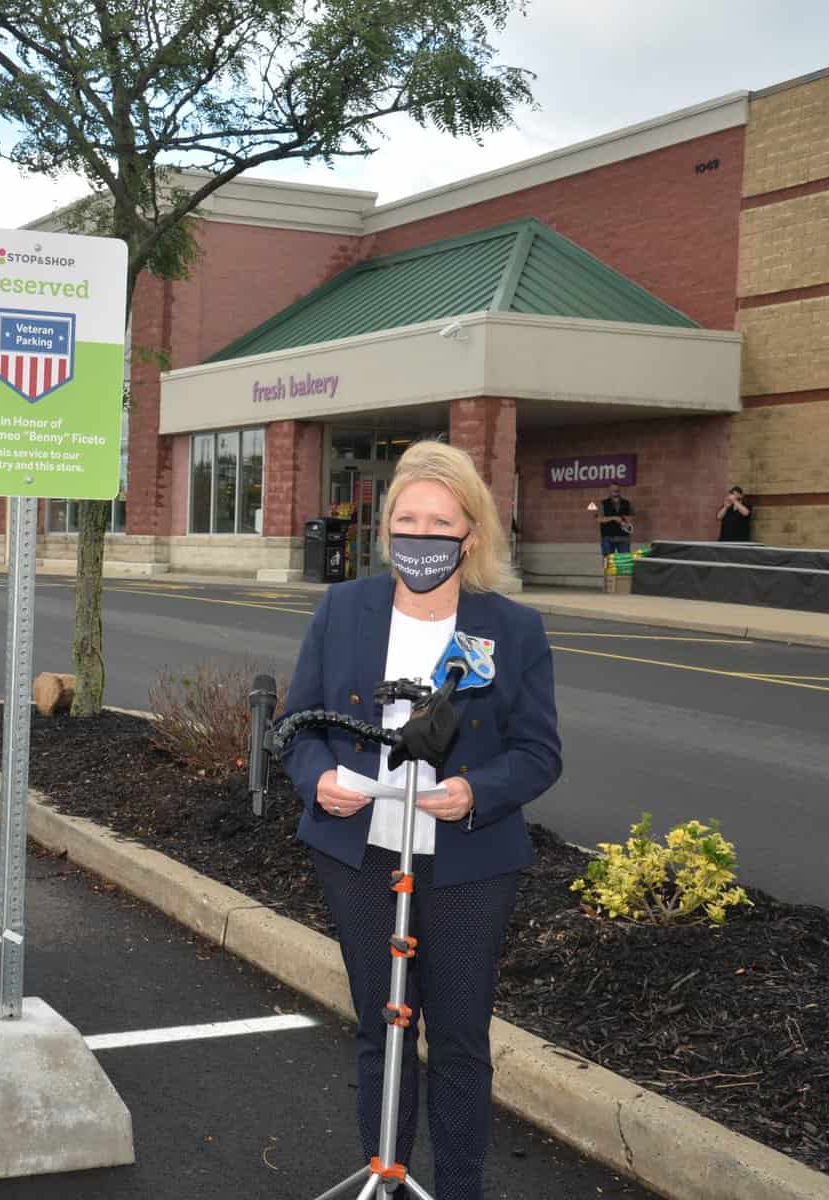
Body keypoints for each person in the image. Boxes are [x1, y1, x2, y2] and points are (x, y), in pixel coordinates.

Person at [280, 440, 562, 1200]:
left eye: (439, 521)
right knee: (382, 1026)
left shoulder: (511, 627)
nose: (421, 534)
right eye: (406, 519)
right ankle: (387, 1175)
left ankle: (459, 1187)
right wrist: (319, 782)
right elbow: (298, 728)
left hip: (468, 862)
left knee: (461, 1037)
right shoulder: (343, 610)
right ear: (385, 531)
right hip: (360, 852)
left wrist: (475, 791)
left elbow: (538, 753)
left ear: (470, 533)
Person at [589, 483, 633, 558]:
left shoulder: (627, 503)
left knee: (624, 561)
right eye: (613, 489)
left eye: (617, 489)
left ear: (620, 490)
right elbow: (599, 519)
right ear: (609, 490)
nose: (615, 490)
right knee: (608, 562)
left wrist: (624, 519)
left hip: (623, 538)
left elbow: (632, 516)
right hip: (607, 538)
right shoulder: (602, 503)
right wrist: (613, 518)